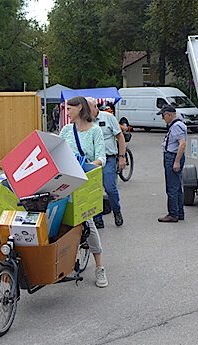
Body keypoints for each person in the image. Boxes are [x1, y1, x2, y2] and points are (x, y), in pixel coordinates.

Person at [59, 96, 108, 288]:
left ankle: (100, 267)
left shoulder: (95, 131)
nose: (67, 112)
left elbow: (101, 158)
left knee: (88, 222)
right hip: (66, 182)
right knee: (60, 222)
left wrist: (83, 166)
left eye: (69, 108)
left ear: (79, 108)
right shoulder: (65, 130)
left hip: (84, 182)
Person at [87, 98, 126, 228]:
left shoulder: (108, 117)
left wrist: (122, 157)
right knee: (94, 189)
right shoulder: (85, 121)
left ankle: (116, 211)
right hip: (93, 160)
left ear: (94, 107)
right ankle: (98, 219)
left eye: (88, 107)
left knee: (110, 188)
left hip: (108, 158)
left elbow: (120, 136)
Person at [157, 105, 187, 222]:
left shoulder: (176, 126)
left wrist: (177, 161)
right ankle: (179, 212)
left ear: (169, 114)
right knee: (177, 186)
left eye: (163, 116)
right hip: (173, 156)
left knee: (172, 187)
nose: (163, 119)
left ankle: (173, 214)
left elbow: (182, 144)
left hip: (173, 157)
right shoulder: (178, 125)